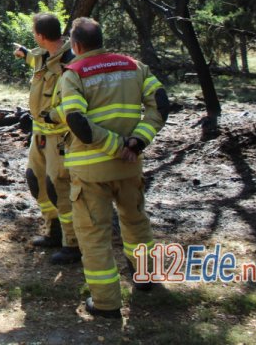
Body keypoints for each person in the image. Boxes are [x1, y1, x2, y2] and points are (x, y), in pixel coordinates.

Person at [57, 17, 169, 318]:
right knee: (136, 221)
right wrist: (136, 143)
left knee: (94, 235)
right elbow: (161, 103)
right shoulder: (134, 66)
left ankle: (106, 302)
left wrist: (114, 145)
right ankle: (146, 276)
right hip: (130, 168)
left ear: (76, 45)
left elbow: (76, 121)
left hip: (91, 171)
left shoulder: (73, 74)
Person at [14, 13, 80, 264]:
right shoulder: (42, 56)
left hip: (60, 137)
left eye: (34, 34)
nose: (33, 39)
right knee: (35, 181)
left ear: (41, 36)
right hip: (39, 134)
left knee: (58, 187)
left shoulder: (71, 60)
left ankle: (72, 242)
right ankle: (52, 229)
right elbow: (35, 60)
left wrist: (55, 117)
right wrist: (23, 52)